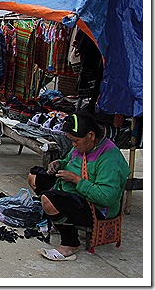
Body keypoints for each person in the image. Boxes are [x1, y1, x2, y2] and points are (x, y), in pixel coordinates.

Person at [27, 111, 130, 261]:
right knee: (34, 177)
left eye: (76, 141)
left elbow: (107, 197)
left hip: (96, 208)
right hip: (74, 191)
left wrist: (76, 180)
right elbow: (69, 160)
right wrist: (59, 164)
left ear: (91, 136)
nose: (73, 145)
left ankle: (70, 243)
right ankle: (61, 220)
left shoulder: (110, 158)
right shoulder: (84, 146)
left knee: (48, 200)